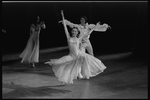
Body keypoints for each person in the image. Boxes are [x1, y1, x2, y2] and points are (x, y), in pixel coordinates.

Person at [45, 10, 106, 84]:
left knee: (92, 59)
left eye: (75, 31)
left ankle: (83, 73)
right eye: (73, 31)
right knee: (61, 62)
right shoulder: (68, 37)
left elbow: (88, 33)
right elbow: (65, 27)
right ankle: (53, 64)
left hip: (80, 55)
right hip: (72, 56)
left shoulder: (78, 39)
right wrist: (62, 16)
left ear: (77, 33)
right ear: (71, 32)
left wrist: (95, 27)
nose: (74, 32)